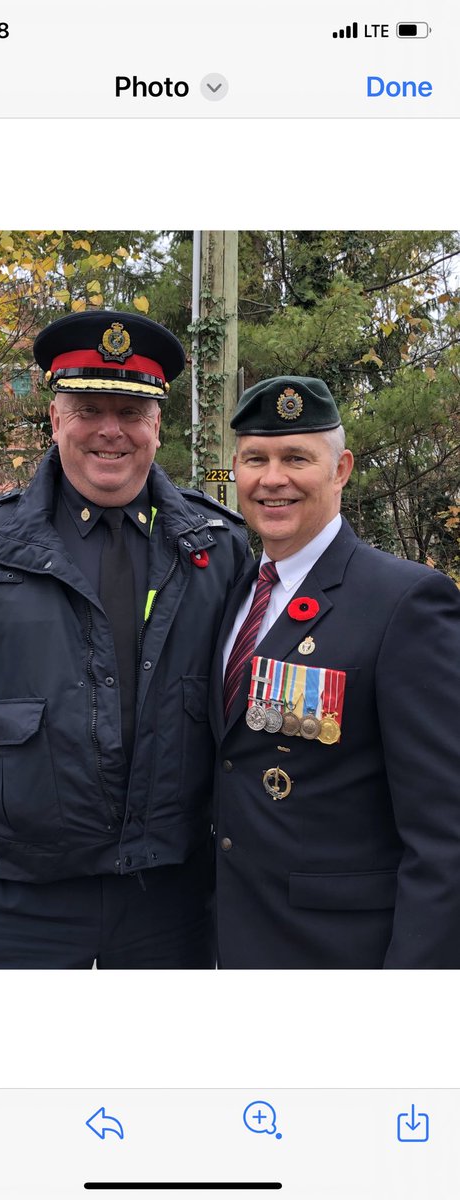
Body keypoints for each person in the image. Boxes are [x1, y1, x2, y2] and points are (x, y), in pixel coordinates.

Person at [0, 310, 250, 969]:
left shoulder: (218, 547)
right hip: (14, 903)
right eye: (89, 408)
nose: (110, 431)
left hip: (170, 901)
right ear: (55, 418)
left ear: (157, 425)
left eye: (131, 410)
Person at [210, 375, 460, 969]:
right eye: (255, 459)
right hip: (230, 938)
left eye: (297, 457)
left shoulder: (406, 602)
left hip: (341, 953)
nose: (273, 479)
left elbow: (445, 831)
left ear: (341, 469)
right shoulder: (236, 594)